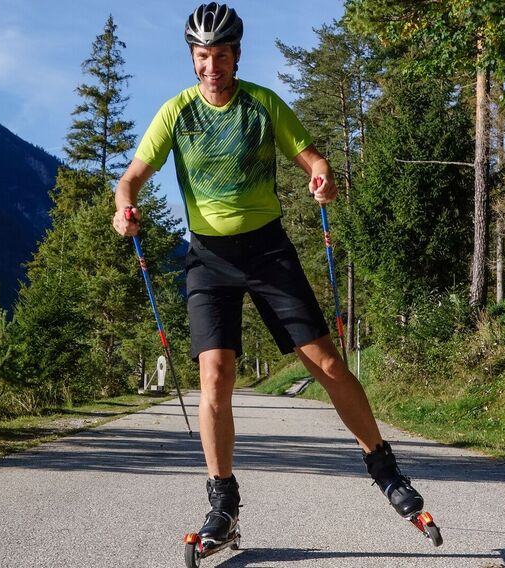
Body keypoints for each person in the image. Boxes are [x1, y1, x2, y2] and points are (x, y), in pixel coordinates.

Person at [112, 2, 425, 547]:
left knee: (325, 362)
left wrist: (322, 178)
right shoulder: (175, 114)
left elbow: (314, 160)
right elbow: (132, 177)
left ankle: (383, 467)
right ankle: (223, 502)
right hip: (208, 258)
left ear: (236, 56)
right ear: (193, 59)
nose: (213, 66)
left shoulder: (262, 105)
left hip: (268, 251)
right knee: (216, 375)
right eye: (203, 57)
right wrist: (125, 207)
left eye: (222, 56)